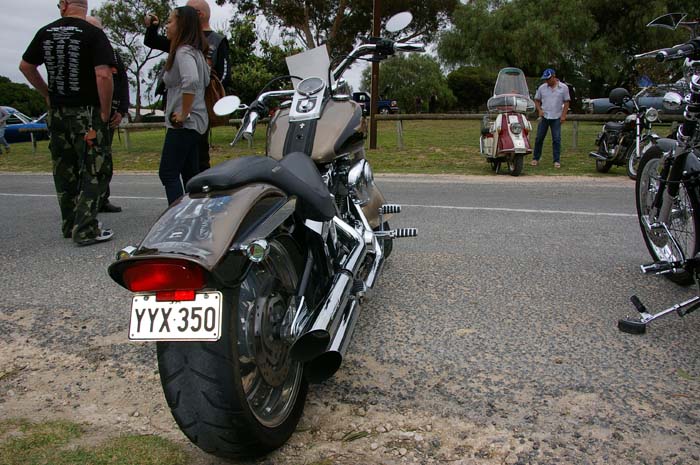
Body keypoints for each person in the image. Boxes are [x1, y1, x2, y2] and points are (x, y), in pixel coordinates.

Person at [20, 0, 115, 246]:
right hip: (87, 112)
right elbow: (103, 74)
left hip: (58, 113)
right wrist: (105, 112)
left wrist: (47, 93)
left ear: (64, 5)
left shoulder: (45, 32)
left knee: (64, 169)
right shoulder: (93, 33)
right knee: (94, 168)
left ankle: (70, 222)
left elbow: (26, 66)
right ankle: (85, 229)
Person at [144, 0, 230, 172]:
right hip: (179, 106)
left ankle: (200, 187)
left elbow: (224, 75)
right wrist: (153, 26)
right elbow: (152, 41)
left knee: (197, 161)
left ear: (197, 15)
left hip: (198, 109)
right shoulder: (180, 40)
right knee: (185, 167)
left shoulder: (214, 41)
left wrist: (206, 98)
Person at [158, 5, 210, 205]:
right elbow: (203, 81)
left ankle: (177, 216)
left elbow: (191, 80)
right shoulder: (196, 52)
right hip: (196, 123)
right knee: (190, 176)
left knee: (168, 172)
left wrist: (183, 113)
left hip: (184, 124)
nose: (167, 25)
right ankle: (194, 214)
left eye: (170, 21)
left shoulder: (183, 51)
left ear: (182, 25)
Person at [86, 15, 129, 213]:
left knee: (104, 158)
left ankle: (102, 198)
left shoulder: (111, 54)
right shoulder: (80, 52)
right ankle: (86, 202)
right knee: (87, 160)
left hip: (108, 116)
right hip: (87, 115)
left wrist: (121, 110)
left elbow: (122, 83)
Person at [531, 68, 570, 169]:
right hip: (545, 116)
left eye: (548, 79)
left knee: (556, 139)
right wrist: (539, 110)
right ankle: (536, 158)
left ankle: (556, 160)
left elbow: (566, 102)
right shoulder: (542, 88)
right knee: (539, 138)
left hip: (556, 116)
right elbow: (537, 100)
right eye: (546, 79)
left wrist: (563, 115)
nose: (547, 81)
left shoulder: (563, 88)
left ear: (554, 76)